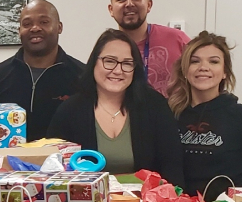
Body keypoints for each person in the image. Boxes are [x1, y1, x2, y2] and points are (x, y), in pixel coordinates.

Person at [47, 29, 184, 185]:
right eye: (110, 61)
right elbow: (54, 172)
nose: (118, 70)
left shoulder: (155, 106)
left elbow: (173, 170)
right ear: (94, 63)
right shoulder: (69, 111)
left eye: (127, 63)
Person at [167, 31, 242, 199]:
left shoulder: (240, 116)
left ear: (225, 72)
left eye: (214, 61)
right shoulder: (169, 114)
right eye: (195, 61)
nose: (203, 67)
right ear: (185, 71)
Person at [0, 0, 84, 141]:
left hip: (65, 161)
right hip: (7, 161)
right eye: (27, 24)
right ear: (19, 31)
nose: (35, 28)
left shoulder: (82, 76)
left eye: (44, 22)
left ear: (59, 27)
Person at [108, 0, 190, 98]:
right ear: (111, 9)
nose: (129, 3)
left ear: (149, 5)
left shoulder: (178, 40)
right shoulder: (106, 50)